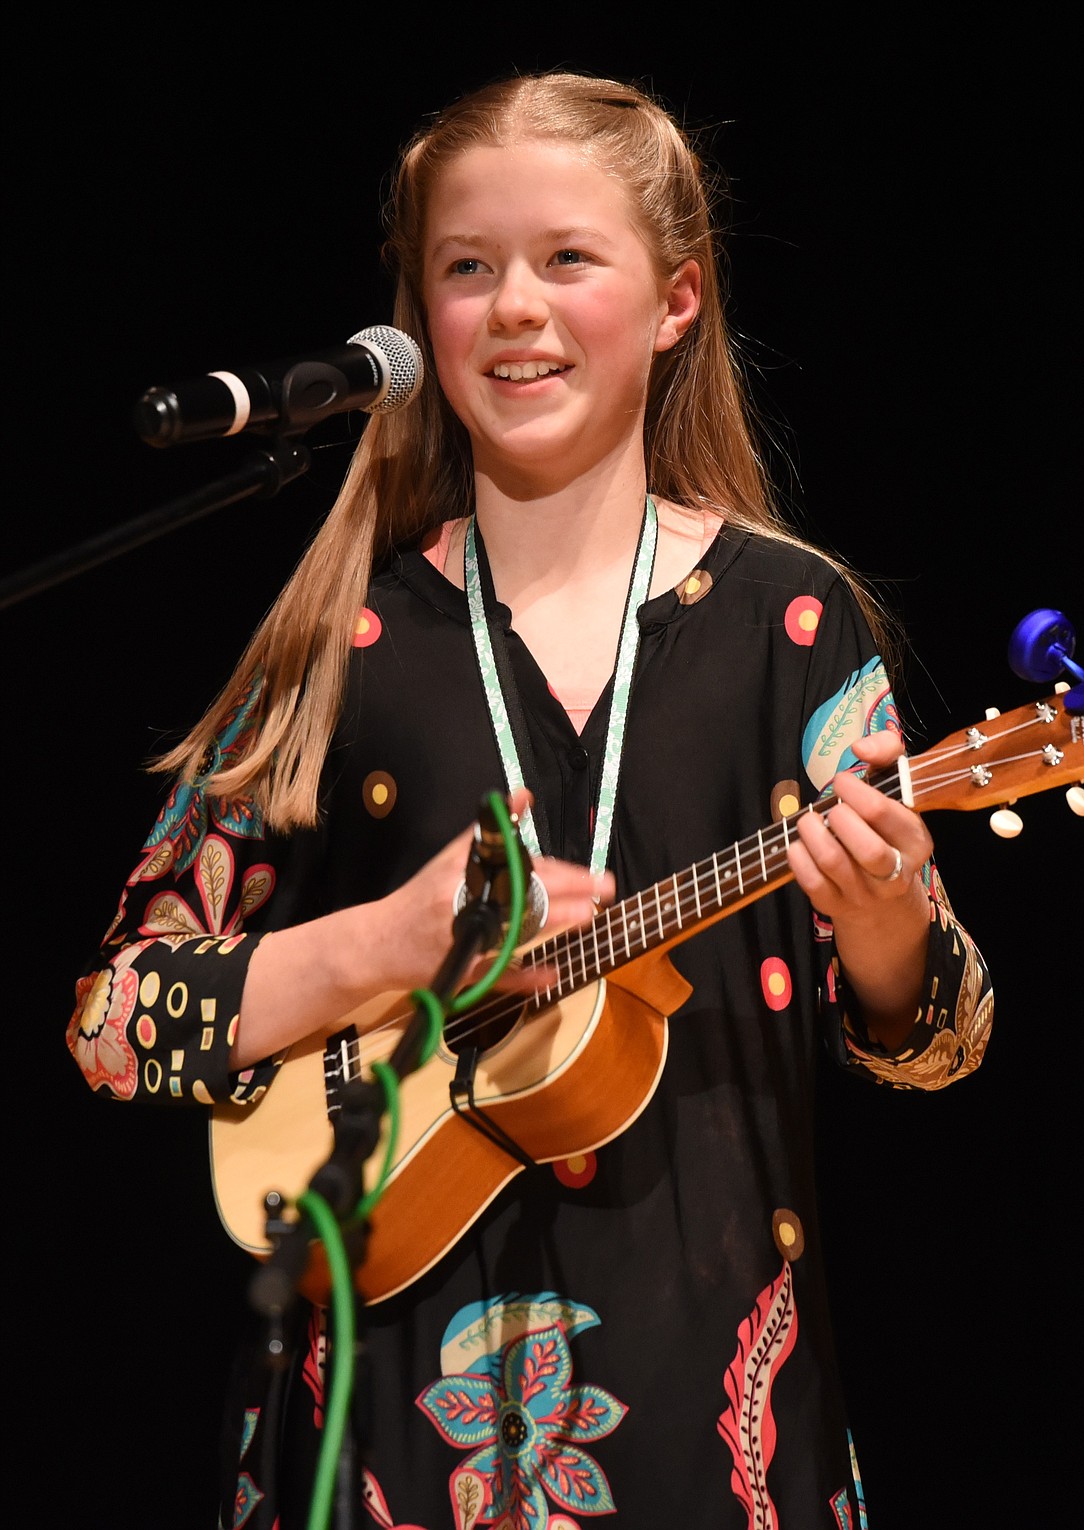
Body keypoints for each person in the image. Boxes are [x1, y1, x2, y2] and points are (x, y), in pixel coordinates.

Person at [67, 70, 993, 1530]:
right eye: (465, 267)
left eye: (567, 259)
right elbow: (115, 1025)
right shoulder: (341, 639)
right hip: (385, 1424)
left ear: (676, 301)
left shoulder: (789, 624)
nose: (513, 306)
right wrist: (377, 946)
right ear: (416, 316)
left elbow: (931, 1040)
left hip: (720, 1417)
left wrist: (883, 918)